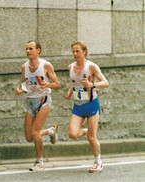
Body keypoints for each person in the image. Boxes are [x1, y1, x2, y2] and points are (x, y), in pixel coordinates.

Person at [15, 41, 61, 171]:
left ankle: (39, 161)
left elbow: (57, 84)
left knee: (35, 133)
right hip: (30, 101)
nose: (28, 51)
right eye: (26, 49)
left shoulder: (45, 65)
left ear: (38, 50)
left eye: (31, 48)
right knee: (29, 137)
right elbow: (23, 84)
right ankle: (50, 131)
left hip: (43, 100)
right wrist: (19, 90)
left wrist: (48, 85)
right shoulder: (24, 67)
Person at [65, 40, 109, 173]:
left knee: (91, 137)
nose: (75, 54)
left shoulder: (91, 67)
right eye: (73, 51)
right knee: (72, 134)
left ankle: (98, 162)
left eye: (77, 51)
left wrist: (92, 85)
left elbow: (105, 82)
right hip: (78, 105)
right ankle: (86, 130)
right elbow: (74, 82)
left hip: (91, 104)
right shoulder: (70, 67)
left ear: (84, 52)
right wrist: (69, 91)